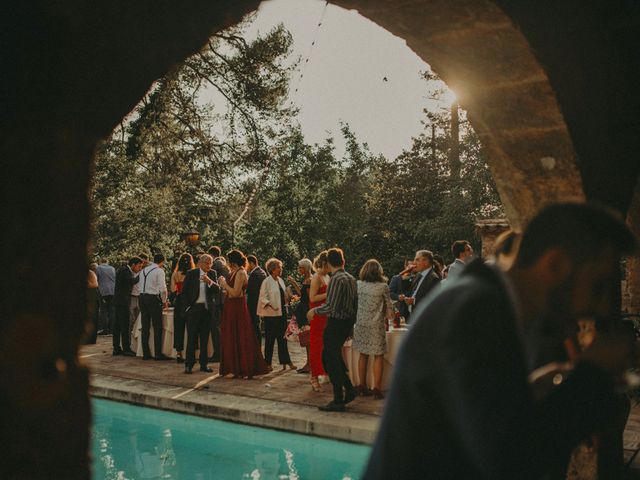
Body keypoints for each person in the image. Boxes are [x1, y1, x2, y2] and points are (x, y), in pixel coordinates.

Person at [363, 203, 638, 479]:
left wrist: (533, 389)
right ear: (554, 264)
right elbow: (512, 463)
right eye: (597, 287)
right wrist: (593, 376)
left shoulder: (486, 301)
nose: (601, 307)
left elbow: (478, 418)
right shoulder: (477, 309)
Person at [306, 247, 358, 412]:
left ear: (328, 263)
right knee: (333, 357)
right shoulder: (350, 278)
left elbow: (331, 305)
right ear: (343, 261)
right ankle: (349, 389)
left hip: (336, 323)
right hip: (346, 322)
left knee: (331, 359)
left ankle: (338, 399)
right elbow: (354, 304)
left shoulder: (336, 279)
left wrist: (314, 311)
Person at [218, 250, 270, 378]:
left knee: (239, 335)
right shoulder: (234, 272)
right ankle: (233, 367)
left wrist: (224, 284)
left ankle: (241, 367)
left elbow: (236, 293)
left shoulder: (241, 272)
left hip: (237, 308)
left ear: (232, 261)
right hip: (230, 306)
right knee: (231, 335)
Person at [353, 259, 394, 400]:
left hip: (361, 324)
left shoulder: (359, 285)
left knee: (363, 354)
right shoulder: (383, 287)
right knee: (378, 356)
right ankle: (376, 388)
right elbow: (389, 308)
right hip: (376, 325)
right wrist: (391, 317)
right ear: (379, 271)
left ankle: (361, 386)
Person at [181, 254, 219, 374]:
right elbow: (184, 292)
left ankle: (204, 364)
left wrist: (209, 282)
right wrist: (187, 308)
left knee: (204, 339)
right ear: (200, 263)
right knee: (191, 338)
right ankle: (189, 365)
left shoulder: (212, 274)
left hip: (207, 310)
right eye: (207, 263)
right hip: (194, 309)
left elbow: (217, 290)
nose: (209, 265)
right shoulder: (191, 273)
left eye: (210, 263)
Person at [257, 258, 296, 371]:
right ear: (273, 269)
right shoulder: (266, 281)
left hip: (281, 313)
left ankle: (286, 361)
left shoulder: (280, 280)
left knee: (282, 338)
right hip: (271, 314)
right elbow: (263, 297)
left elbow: (283, 295)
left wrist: (288, 298)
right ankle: (268, 362)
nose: (281, 269)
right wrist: (270, 305)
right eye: (279, 267)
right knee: (270, 339)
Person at [139, 253, 170, 361]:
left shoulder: (143, 270)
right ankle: (157, 354)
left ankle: (145, 354)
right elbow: (163, 288)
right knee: (158, 327)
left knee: (145, 327)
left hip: (142, 298)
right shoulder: (159, 271)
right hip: (152, 299)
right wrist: (165, 301)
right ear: (162, 261)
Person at [112, 256, 144, 356]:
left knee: (117, 326)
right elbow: (131, 281)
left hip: (119, 301)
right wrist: (141, 275)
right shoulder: (125, 270)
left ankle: (116, 348)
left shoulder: (123, 269)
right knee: (124, 325)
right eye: (139, 266)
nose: (139, 268)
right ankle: (126, 349)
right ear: (133, 265)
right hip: (123, 302)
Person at [308, 251, 330, 392]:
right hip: (317, 315)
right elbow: (312, 298)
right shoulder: (316, 277)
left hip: (326, 314)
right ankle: (313, 377)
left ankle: (325, 372)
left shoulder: (327, 276)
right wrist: (328, 294)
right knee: (316, 346)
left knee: (326, 346)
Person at [398, 250, 440, 322]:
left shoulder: (433, 278)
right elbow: (408, 292)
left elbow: (433, 302)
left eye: (417, 260)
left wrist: (414, 301)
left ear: (426, 262)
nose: (414, 263)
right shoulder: (418, 275)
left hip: (424, 320)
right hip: (412, 317)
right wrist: (405, 277)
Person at [288, 258, 313, 374]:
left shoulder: (309, 280)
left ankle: (309, 364)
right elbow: (301, 294)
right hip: (304, 310)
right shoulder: (306, 280)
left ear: (305, 268)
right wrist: (294, 283)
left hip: (306, 311)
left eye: (300, 268)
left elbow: (310, 298)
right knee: (306, 339)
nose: (299, 270)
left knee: (308, 339)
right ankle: (309, 363)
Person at [170, 253, 195, 363]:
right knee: (191, 327)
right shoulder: (193, 274)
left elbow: (172, 289)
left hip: (180, 300)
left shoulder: (175, 274)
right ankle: (192, 351)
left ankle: (179, 352)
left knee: (178, 327)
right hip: (190, 301)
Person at [207, 245, 229, 362]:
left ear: (211, 255)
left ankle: (217, 353)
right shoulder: (225, 265)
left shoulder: (215, 266)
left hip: (217, 300)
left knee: (215, 327)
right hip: (225, 299)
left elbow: (212, 284)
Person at [246, 255, 267, 343]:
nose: (246, 267)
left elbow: (252, 292)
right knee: (256, 325)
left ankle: (256, 346)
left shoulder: (254, 274)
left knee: (254, 326)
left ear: (251, 263)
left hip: (254, 305)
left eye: (247, 264)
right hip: (259, 304)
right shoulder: (262, 272)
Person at [129, 253, 148, 338]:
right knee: (131, 319)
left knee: (139, 319)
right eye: (139, 266)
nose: (140, 268)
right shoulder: (129, 272)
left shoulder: (143, 273)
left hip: (140, 297)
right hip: (131, 297)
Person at [96, 258, 116, 334]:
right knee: (111, 310)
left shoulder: (99, 268)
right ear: (107, 262)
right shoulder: (112, 268)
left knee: (103, 311)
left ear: (100, 262)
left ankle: (105, 330)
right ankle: (112, 329)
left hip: (103, 291)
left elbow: (96, 279)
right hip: (112, 291)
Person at [86, 265, 100, 344]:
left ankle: (91, 339)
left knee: (92, 318)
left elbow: (95, 284)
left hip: (92, 298)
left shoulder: (90, 273)